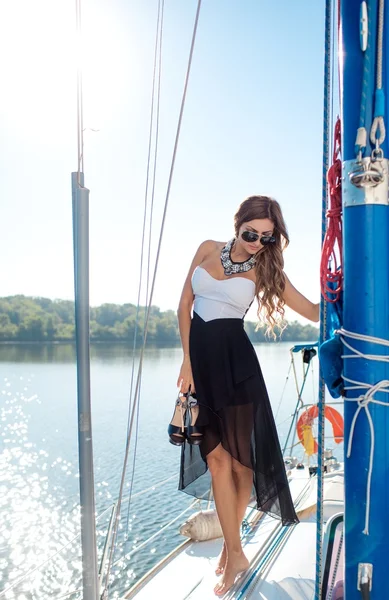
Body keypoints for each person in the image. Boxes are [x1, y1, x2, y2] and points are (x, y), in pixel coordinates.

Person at [168, 195, 320, 596]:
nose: (257, 242)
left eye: (267, 238)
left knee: (240, 465)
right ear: (237, 224)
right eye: (251, 233)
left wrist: (346, 295)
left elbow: (313, 310)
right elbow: (184, 305)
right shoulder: (205, 249)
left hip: (238, 368)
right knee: (217, 461)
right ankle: (234, 552)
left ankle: (233, 553)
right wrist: (186, 361)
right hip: (201, 366)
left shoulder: (265, 268)